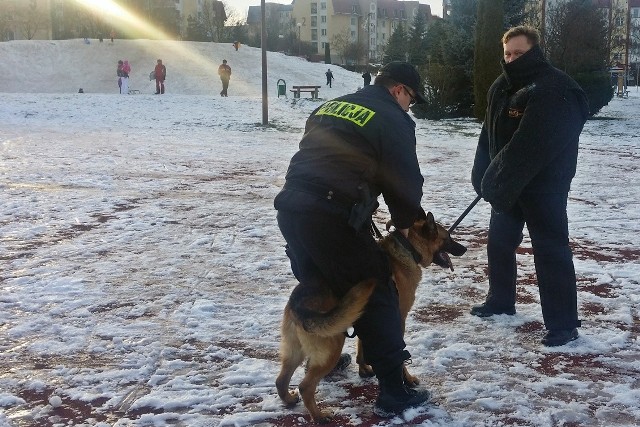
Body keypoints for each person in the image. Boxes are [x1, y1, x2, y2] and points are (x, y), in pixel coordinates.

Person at [274, 62, 430, 417]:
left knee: (326, 284)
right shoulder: (393, 117)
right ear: (399, 90)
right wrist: (404, 225)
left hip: (290, 208)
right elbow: (405, 180)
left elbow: (323, 157)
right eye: (412, 99)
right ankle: (393, 389)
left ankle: (323, 352)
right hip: (330, 217)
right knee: (376, 288)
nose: (410, 107)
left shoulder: (332, 105)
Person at [470, 26, 589, 347]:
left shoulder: (555, 89)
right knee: (499, 243)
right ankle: (500, 300)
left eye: (518, 54)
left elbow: (530, 145)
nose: (510, 59)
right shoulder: (502, 86)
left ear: (534, 52)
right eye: (507, 53)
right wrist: (481, 172)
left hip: (544, 187)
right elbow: (489, 134)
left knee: (551, 251)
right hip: (506, 184)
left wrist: (495, 180)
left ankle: (563, 324)